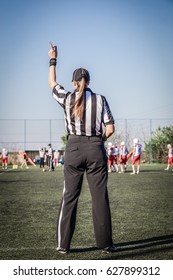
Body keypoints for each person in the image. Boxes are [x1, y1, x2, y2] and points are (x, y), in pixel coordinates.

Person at [48, 42, 116, 254]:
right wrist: (98, 141)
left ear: (75, 83)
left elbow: (51, 82)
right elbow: (111, 128)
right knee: (99, 197)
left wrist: (53, 59)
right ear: (88, 82)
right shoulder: (100, 99)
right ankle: (105, 244)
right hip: (95, 147)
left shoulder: (67, 97)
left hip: (74, 148)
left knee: (70, 195)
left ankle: (63, 245)